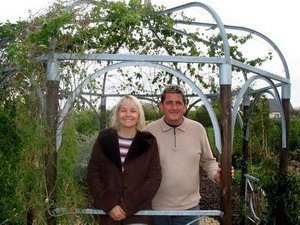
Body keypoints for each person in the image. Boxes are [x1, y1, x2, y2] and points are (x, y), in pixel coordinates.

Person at [145, 84, 221, 225]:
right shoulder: (148, 131)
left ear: (185, 105)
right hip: (157, 209)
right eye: (169, 103)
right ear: (161, 105)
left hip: (189, 209)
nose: (174, 107)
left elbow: (208, 161)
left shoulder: (198, 129)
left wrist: (216, 174)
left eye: (178, 103)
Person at [87, 95, 162, 225]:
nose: (128, 114)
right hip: (108, 214)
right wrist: (110, 205)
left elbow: (154, 177)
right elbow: (93, 173)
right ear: (117, 114)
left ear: (139, 114)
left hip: (138, 213)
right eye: (123, 110)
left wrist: (127, 206)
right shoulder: (104, 139)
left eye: (133, 110)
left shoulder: (149, 142)